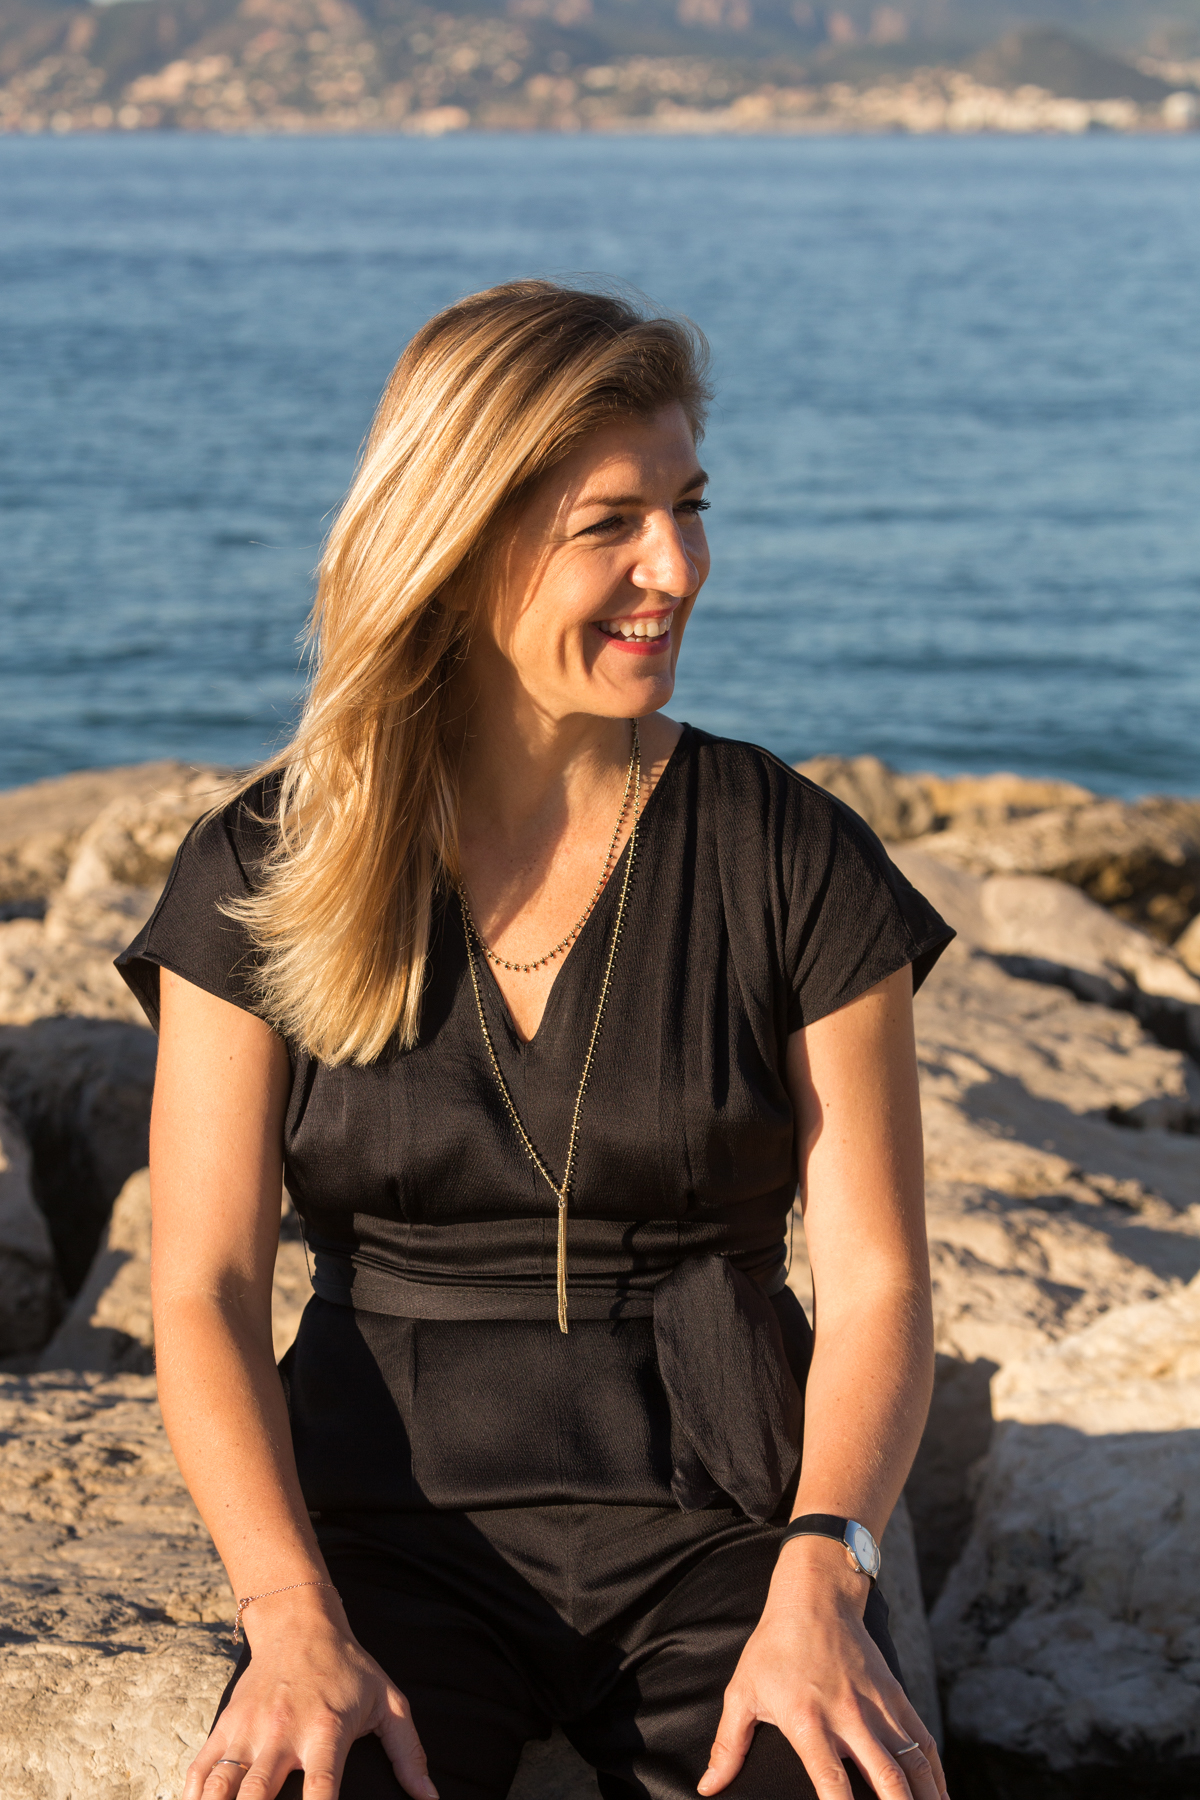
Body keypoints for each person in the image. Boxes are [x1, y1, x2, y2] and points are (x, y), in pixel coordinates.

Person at [118, 280, 955, 1800]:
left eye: (689, 508)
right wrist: (288, 1613)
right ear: (458, 540)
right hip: (381, 1535)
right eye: (612, 523)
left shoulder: (790, 854)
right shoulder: (265, 867)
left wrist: (827, 1573)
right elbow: (205, 1288)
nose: (677, 567)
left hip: (733, 1537)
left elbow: (881, 1278)